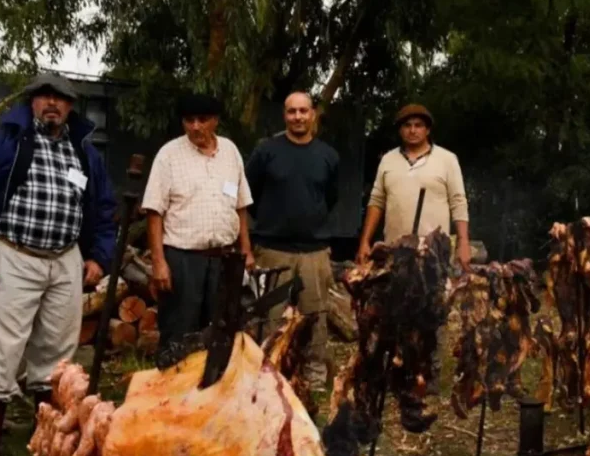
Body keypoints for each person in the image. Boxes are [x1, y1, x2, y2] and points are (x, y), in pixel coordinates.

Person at [0, 72, 117, 456]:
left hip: (65, 260)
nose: (52, 104)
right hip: (14, 254)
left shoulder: (83, 152)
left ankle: (49, 436)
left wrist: (98, 256)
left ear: (70, 106)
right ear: (32, 101)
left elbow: (104, 207)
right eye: (44, 96)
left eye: (60, 99)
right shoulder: (0, 140)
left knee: (58, 356)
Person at [356, 104, 471, 391]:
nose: (412, 130)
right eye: (407, 125)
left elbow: (459, 201)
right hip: (396, 250)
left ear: (428, 129)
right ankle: (398, 370)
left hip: (433, 251)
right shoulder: (389, 161)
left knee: (430, 310)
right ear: (400, 130)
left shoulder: (447, 160)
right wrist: (365, 241)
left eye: (418, 125)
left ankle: (427, 373)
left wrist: (464, 243)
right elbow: (376, 201)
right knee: (394, 309)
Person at [141, 93, 254, 356]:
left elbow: (241, 204)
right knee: (179, 334)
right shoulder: (168, 155)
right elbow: (154, 211)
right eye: (189, 120)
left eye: (202, 120)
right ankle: (170, 392)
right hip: (183, 260)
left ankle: (212, 392)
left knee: (220, 332)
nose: (195, 126)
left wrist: (246, 249)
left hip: (224, 259)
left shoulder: (230, 151)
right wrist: (159, 262)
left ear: (215, 121)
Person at [246, 91, 340, 385]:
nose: (297, 117)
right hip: (273, 250)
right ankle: (267, 375)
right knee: (270, 318)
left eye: (303, 111)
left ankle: (314, 375)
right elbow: (249, 194)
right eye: (291, 112)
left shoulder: (328, 155)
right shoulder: (266, 152)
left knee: (315, 314)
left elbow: (331, 198)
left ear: (313, 115)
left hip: (314, 251)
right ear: (284, 115)